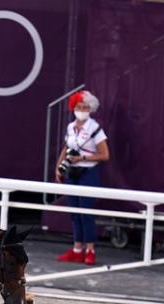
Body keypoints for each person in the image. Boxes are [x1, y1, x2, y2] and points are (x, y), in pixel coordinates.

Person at [54, 90, 110, 266]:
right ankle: (77, 249)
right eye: (79, 106)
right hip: (72, 172)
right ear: (73, 107)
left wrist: (83, 158)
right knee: (74, 213)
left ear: (90, 109)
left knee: (86, 213)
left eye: (86, 107)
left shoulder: (94, 128)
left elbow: (105, 155)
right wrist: (59, 165)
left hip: (88, 173)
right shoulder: (71, 127)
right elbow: (67, 147)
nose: (82, 109)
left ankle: (90, 250)